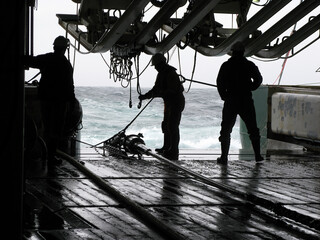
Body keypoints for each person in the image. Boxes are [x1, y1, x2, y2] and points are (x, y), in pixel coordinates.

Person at [25, 36, 75, 166]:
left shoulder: (47, 59)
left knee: (47, 127)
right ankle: (51, 156)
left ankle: (46, 155)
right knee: (56, 129)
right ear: (65, 48)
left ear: (54, 47)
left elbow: (31, 61)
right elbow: (69, 85)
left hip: (46, 99)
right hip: (60, 102)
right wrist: (72, 101)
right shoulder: (66, 65)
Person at [216, 41, 264, 164]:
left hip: (231, 100)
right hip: (246, 99)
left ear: (232, 52)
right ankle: (257, 156)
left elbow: (220, 82)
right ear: (243, 52)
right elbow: (258, 79)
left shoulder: (226, 65)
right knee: (253, 129)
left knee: (226, 129)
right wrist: (252, 87)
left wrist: (224, 96)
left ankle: (224, 157)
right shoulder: (249, 65)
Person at [139, 53, 185, 160]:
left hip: (176, 102)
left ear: (161, 63)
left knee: (173, 126)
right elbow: (156, 89)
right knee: (166, 125)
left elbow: (171, 91)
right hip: (168, 103)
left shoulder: (171, 73)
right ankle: (166, 147)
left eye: (156, 65)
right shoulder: (161, 74)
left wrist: (159, 94)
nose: (155, 68)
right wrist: (145, 97)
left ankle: (173, 151)